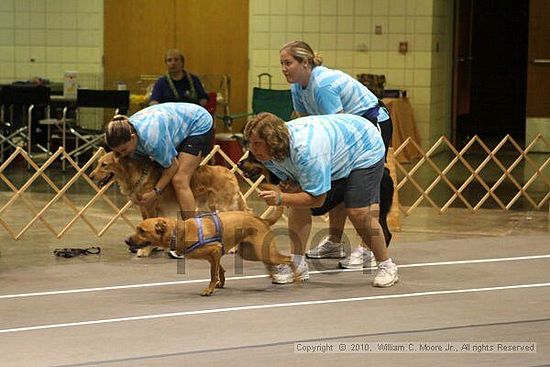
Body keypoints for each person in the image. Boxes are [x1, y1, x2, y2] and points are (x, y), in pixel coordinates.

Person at [244, 112, 399, 287]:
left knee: (358, 211)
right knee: (295, 202)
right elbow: (296, 185)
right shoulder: (269, 154)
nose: (253, 149)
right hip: (334, 147)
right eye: (251, 143)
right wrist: (291, 189)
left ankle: (387, 265)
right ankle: (297, 265)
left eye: (257, 143)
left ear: (272, 141)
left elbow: (317, 200)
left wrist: (281, 197)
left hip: (364, 146)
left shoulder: (306, 152)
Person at [279, 40, 393, 270]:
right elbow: (305, 120)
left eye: (288, 63)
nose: (283, 68)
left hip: (370, 123)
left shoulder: (322, 85)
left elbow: (337, 124)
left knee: (370, 181)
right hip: (342, 130)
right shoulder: (297, 87)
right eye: (281, 63)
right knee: (338, 178)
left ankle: (368, 247)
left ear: (305, 63)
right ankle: (334, 241)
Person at [105, 102, 213, 220]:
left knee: (180, 179)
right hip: (173, 123)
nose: (122, 155)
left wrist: (155, 192)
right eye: (117, 152)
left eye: (124, 150)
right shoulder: (125, 132)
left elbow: (172, 166)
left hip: (198, 123)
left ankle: (192, 231)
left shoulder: (152, 140)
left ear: (133, 138)